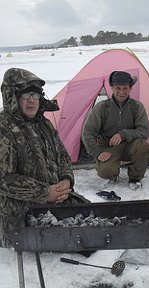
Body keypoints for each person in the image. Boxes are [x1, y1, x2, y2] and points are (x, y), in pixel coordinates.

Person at [0, 68, 89, 247]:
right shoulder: (4, 128)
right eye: (25, 95)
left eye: (35, 94)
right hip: (19, 209)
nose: (32, 99)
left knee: (90, 218)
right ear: (13, 97)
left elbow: (63, 155)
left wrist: (66, 180)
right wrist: (45, 193)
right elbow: (5, 179)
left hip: (56, 198)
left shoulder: (44, 124)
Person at [82, 71, 149, 190]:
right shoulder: (101, 107)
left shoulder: (137, 107)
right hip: (108, 147)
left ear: (130, 88)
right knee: (106, 172)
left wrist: (123, 135)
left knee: (143, 145)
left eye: (125, 88)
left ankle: (135, 178)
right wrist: (97, 152)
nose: (121, 92)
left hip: (130, 145)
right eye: (118, 88)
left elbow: (144, 131)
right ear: (112, 88)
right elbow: (87, 133)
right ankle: (112, 174)